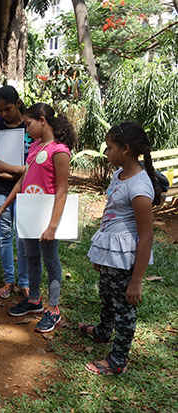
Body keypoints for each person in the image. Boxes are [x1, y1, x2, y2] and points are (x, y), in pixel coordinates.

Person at [80, 122, 161, 375]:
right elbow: (110, 214)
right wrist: (102, 254)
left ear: (125, 150)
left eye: (110, 147)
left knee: (124, 309)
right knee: (106, 294)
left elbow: (146, 236)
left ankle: (118, 360)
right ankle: (103, 331)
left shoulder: (139, 187)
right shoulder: (119, 175)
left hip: (125, 259)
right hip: (111, 255)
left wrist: (136, 281)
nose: (106, 152)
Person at [1, 103, 76, 333]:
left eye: (28, 124)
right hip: (29, 213)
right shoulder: (34, 147)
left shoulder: (59, 151)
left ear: (42, 120)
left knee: (51, 260)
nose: (27, 129)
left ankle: (53, 308)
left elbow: (61, 190)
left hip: (46, 215)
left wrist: (53, 225)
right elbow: (23, 180)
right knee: (30, 256)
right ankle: (34, 299)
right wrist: (5, 204)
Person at [0, 85, 31, 299]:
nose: (4, 114)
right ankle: (8, 280)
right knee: (5, 233)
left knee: (23, 233)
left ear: (18, 104)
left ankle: (24, 281)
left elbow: (36, 162)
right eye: (1, 110)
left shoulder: (30, 126)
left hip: (25, 189)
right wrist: (20, 170)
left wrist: (11, 172)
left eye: (8, 109)